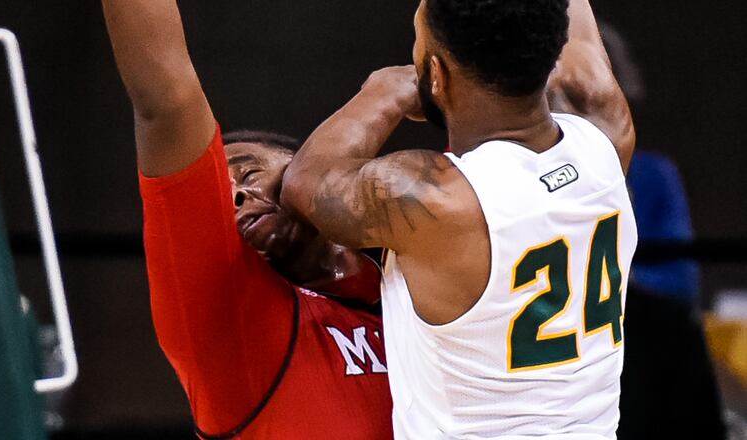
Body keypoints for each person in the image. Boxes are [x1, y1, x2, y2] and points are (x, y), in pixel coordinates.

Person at [282, 0, 637, 438]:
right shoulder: (605, 130)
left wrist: (383, 92)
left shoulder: (438, 200)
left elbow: (304, 182)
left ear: (436, 73)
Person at [102, 1, 393, 439]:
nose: (234, 194)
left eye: (249, 171)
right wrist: (392, 90)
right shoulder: (234, 327)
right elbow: (166, 102)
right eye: (220, 198)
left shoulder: (421, 269)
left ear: (309, 166)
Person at [598, 23, 728, 440]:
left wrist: (609, 284)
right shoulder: (512, 179)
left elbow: (680, 278)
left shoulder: (654, 174)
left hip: (635, 335)